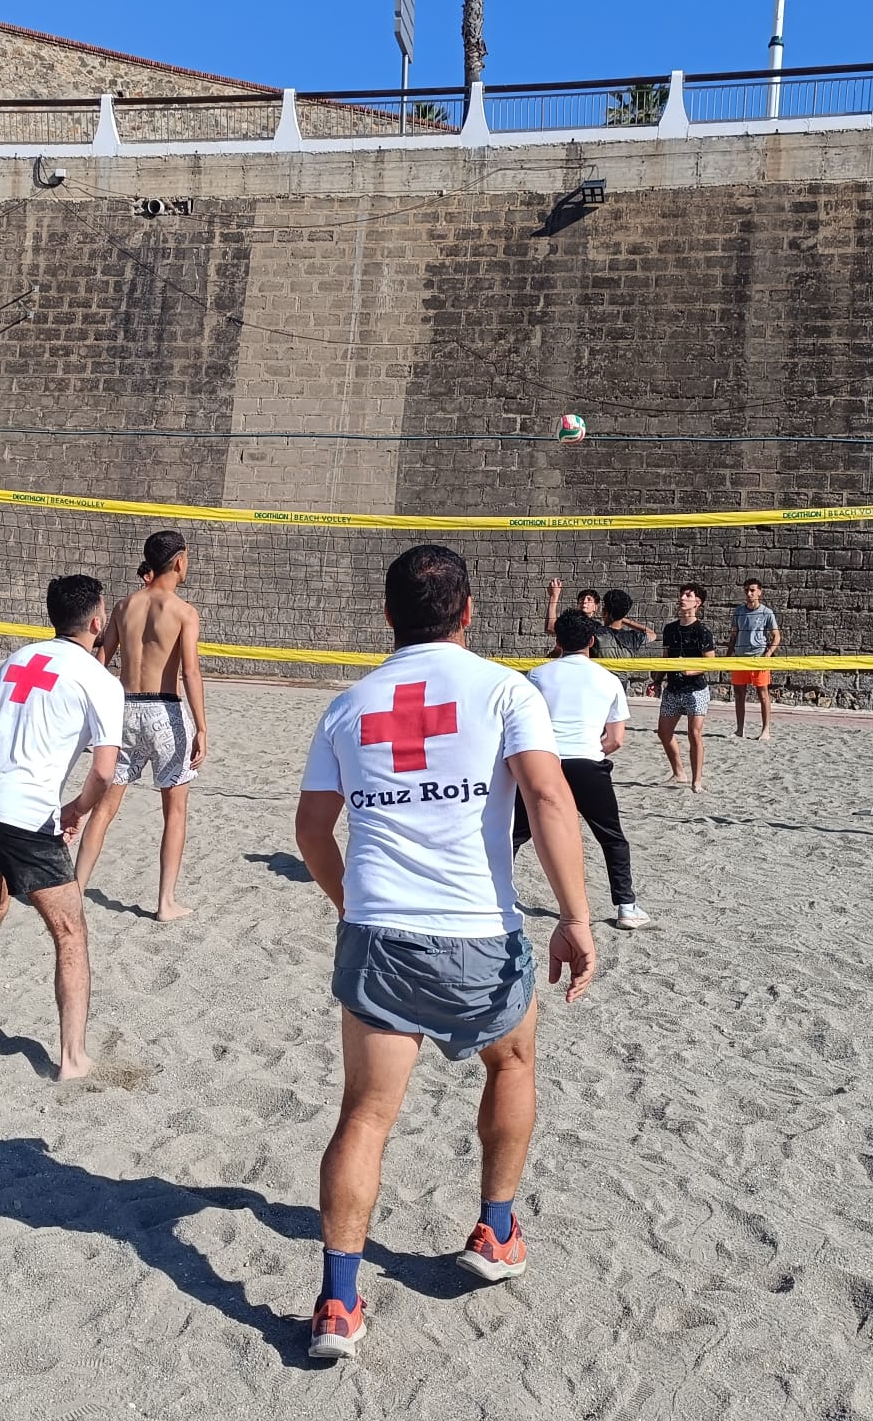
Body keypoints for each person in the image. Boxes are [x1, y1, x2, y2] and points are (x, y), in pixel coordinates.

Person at [294, 544, 596, 1360]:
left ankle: (338, 1303)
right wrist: (575, 916)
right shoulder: (505, 690)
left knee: (364, 1115)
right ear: (467, 612)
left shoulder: (349, 705)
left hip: (379, 934)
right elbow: (548, 797)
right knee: (513, 1062)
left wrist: (351, 904)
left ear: (387, 615)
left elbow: (312, 830)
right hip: (476, 931)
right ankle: (495, 1229)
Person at [0, 575, 125, 1079]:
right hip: (24, 814)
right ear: (97, 622)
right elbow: (105, 771)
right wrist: (76, 810)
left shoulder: (17, 659)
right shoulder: (99, 680)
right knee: (69, 930)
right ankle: (72, 1057)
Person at [73, 530, 208, 921]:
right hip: (165, 711)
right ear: (179, 561)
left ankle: (76, 890)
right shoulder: (184, 612)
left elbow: (100, 661)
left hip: (125, 709)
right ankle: (166, 902)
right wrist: (202, 727)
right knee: (175, 813)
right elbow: (191, 673)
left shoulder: (123, 606)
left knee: (103, 809)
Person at [519, 609, 650, 929]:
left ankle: (497, 896)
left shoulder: (537, 675)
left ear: (558, 640)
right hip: (588, 764)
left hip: (545, 763)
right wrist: (588, 749)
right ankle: (626, 906)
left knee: (515, 834)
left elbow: (522, 727)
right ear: (592, 641)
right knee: (612, 838)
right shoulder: (608, 680)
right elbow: (616, 739)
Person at [655, 582, 718, 791]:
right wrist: (656, 680)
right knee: (663, 732)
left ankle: (696, 780)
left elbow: (710, 662)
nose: (682, 598)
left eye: (688, 595)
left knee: (694, 733)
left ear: (697, 602)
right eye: (682, 594)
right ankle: (679, 773)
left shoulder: (702, 631)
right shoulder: (670, 629)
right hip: (673, 688)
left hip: (695, 689)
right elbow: (666, 658)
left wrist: (692, 671)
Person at [730, 577, 782, 741]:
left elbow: (776, 636)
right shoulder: (738, 611)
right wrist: (727, 657)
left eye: (752, 590)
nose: (749, 593)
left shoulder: (766, 612)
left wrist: (768, 654)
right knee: (739, 695)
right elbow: (733, 635)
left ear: (759, 592)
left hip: (759, 658)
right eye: (746, 590)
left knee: (763, 694)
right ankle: (740, 730)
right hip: (740, 658)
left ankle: (766, 730)